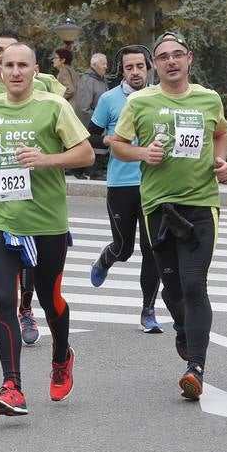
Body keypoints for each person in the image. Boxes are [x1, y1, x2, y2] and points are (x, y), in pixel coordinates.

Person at [0, 42, 94, 416]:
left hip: (46, 223)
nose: (16, 71)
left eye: (23, 65)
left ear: (35, 70)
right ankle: (12, 385)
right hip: (2, 220)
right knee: (4, 299)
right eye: (8, 65)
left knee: (50, 301)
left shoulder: (53, 106)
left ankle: (61, 357)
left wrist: (46, 159)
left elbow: (86, 153)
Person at [111, 31, 227, 401]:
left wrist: (221, 162)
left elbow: (221, 133)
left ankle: (195, 367)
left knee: (195, 284)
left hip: (201, 203)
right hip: (157, 206)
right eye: (163, 57)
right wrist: (143, 154)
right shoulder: (141, 102)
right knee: (174, 289)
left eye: (177, 55)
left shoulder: (208, 99)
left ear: (189, 58)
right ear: (155, 66)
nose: (171, 61)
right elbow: (116, 145)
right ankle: (182, 325)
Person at [88, 45, 162, 331]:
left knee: (152, 248)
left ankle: (148, 310)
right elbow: (91, 137)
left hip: (154, 185)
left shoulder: (159, 98)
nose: (135, 72)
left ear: (148, 68)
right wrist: (108, 140)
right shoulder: (109, 99)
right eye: (129, 67)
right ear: (123, 70)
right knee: (124, 248)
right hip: (121, 184)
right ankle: (107, 258)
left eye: (140, 67)